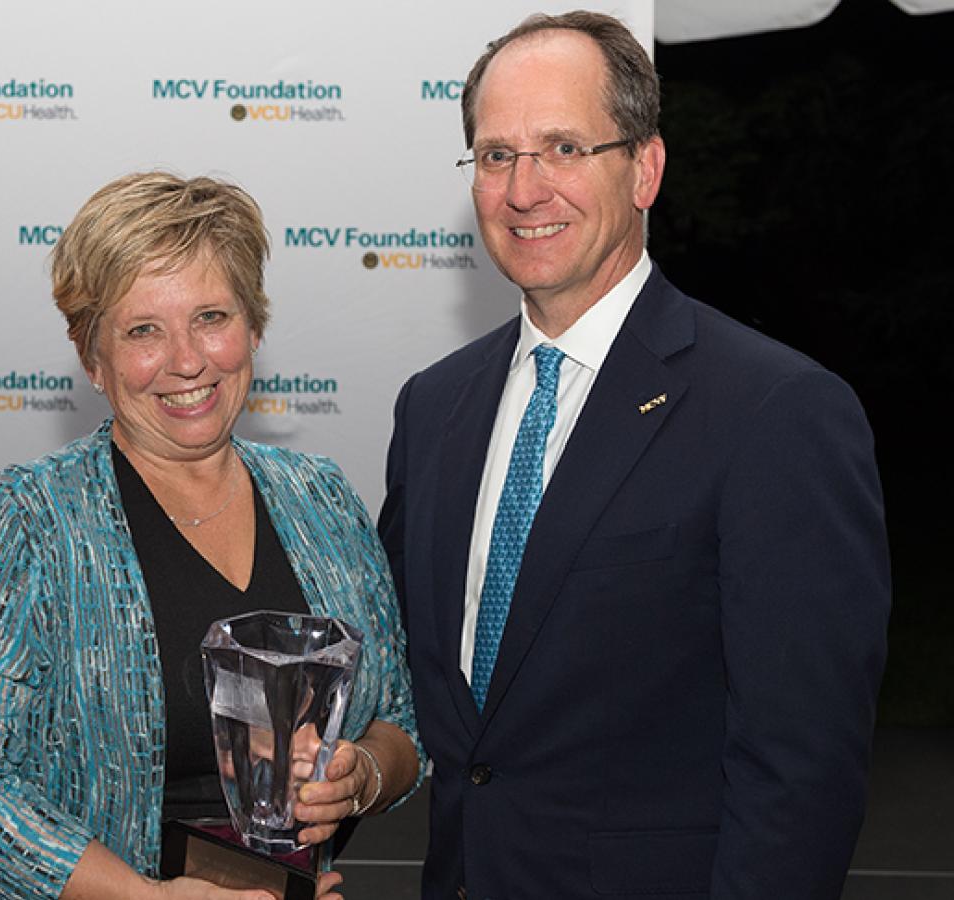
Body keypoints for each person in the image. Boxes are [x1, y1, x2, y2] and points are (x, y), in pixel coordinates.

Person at [378, 10, 890, 899]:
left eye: (564, 148)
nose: (524, 189)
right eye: (496, 155)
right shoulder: (434, 407)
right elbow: (421, 698)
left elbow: (801, 773)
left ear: (644, 169)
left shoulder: (776, 412)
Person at [0, 172, 421, 900]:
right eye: (144, 330)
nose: (187, 360)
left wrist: (360, 776)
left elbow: (399, 724)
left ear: (254, 327)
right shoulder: (27, 520)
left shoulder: (322, 499)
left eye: (212, 317)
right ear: (93, 358)